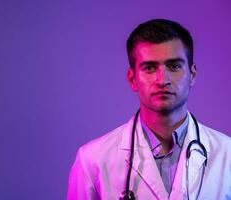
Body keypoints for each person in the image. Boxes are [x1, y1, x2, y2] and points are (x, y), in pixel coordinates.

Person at [67, 19, 231, 200]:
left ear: (192, 74)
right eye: (150, 68)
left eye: (174, 66)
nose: (162, 80)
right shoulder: (93, 160)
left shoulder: (227, 154)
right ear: (132, 79)